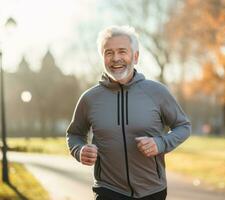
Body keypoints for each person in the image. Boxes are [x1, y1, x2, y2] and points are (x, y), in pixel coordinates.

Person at [66, 25, 191, 200]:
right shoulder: (89, 98)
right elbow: (74, 134)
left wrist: (161, 143)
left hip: (152, 190)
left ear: (136, 56)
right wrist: (80, 150)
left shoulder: (157, 92)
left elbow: (183, 126)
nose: (116, 58)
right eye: (109, 52)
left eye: (122, 51)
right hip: (108, 190)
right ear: (102, 57)